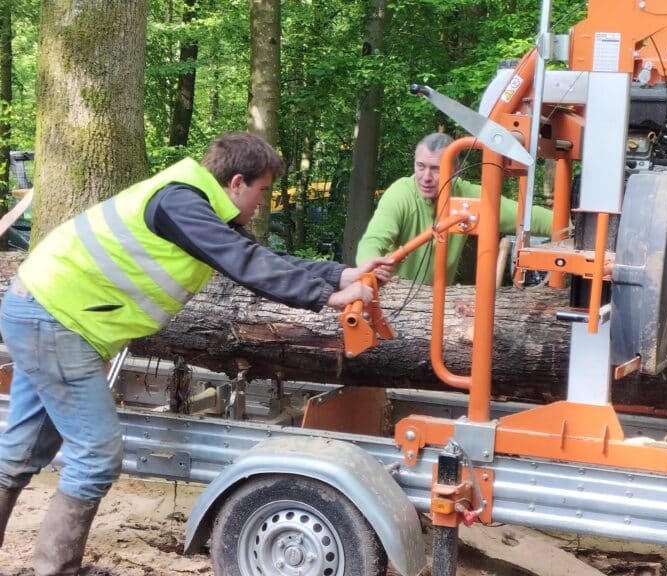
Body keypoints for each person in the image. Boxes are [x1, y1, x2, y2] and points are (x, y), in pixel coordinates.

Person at [0, 131, 394, 575]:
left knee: (22, 450)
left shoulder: (197, 205)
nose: (262, 203)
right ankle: (58, 569)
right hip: (53, 321)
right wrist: (326, 298)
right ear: (238, 182)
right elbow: (242, 262)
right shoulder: (179, 204)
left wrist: (340, 275)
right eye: (262, 191)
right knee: (96, 455)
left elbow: (255, 254)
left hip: (44, 315)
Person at [356, 132, 553, 284]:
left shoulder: (467, 194)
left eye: (436, 169)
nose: (426, 177)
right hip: (395, 299)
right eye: (420, 166)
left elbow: (530, 216)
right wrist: (371, 266)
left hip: (442, 305)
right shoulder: (400, 194)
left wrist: (574, 232)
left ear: (456, 169)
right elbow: (373, 241)